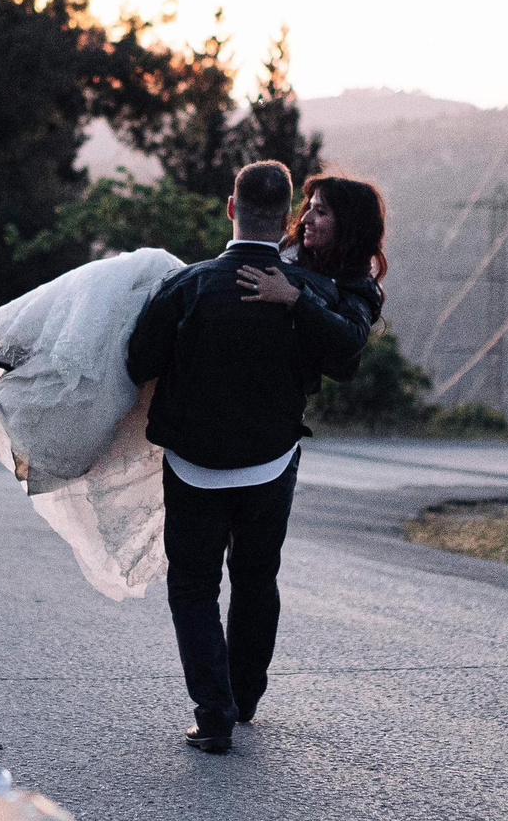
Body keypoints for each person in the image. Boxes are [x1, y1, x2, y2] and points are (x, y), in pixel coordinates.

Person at [124, 160, 384, 752]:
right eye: (306, 208)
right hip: (271, 461)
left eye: (322, 212)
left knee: (193, 586)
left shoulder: (190, 285)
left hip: (193, 464)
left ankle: (214, 713)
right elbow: (339, 358)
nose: (310, 218)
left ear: (230, 208)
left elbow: (139, 363)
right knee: (256, 577)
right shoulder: (317, 290)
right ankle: (243, 697)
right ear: (287, 214)